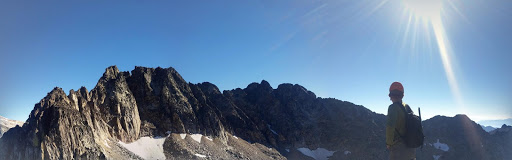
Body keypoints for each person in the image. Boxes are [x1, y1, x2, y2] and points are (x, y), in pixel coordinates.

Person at [386, 82, 416, 160]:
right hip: (410, 146)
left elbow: (390, 127)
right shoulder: (406, 106)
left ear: (391, 95)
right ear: (402, 95)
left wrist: (389, 143)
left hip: (399, 149)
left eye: (390, 95)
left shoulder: (393, 108)